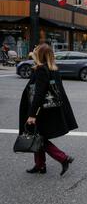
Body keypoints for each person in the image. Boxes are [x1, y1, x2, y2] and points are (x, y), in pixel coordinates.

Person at [19, 44, 78, 175]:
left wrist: (32, 114)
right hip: (50, 109)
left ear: (40, 56)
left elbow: (39, 94)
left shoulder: (41, 70)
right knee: (38, 135)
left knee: (39, 138)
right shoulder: (53, 69)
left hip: (41, 110)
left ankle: (63, 158)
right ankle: (40, 165)